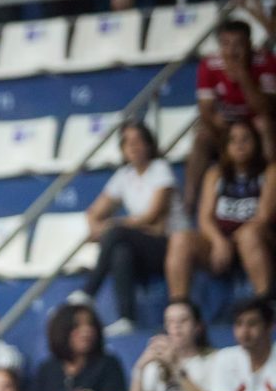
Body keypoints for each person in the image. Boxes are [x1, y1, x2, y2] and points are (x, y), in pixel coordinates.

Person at [71, 122, 181, 336]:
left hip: (169, 246)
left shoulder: (160, 169)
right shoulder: (124, 175)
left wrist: (111, 227)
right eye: (127, 143)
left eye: (138, 141)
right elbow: (93, 213)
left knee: (116, 233)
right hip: (140, 245)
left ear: (149, 144)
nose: (133, 147)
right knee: (121, 251)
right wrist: (99, 229)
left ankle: (89, 291)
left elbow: (153, 217)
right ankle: (126, 318)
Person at [166, 120, 276, 301]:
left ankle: (265, 304)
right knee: (180, 239)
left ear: (257, 142)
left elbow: (263, 217)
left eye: (245, 139)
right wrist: (219, 241)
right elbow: (205, 218)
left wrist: (237, 239)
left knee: (249, 235)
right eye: (233, 140)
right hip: (222, 245)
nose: (239, 145)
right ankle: (179, 305)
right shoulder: (215, 174)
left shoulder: (269, 172)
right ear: (225, 146)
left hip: (260, 242)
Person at [186, 20, 276, 210]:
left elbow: (266, 108)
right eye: (226, 44)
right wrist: (225, 133)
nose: (232, 51)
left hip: (255, 124)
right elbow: (205, 111)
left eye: (238, 44)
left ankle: (270, 190)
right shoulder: (209, 64)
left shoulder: (266, 60)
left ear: (249, 44)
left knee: (265, 124)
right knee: (202, 136)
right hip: (226, 127)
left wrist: (243, 75)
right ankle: (188, 203)